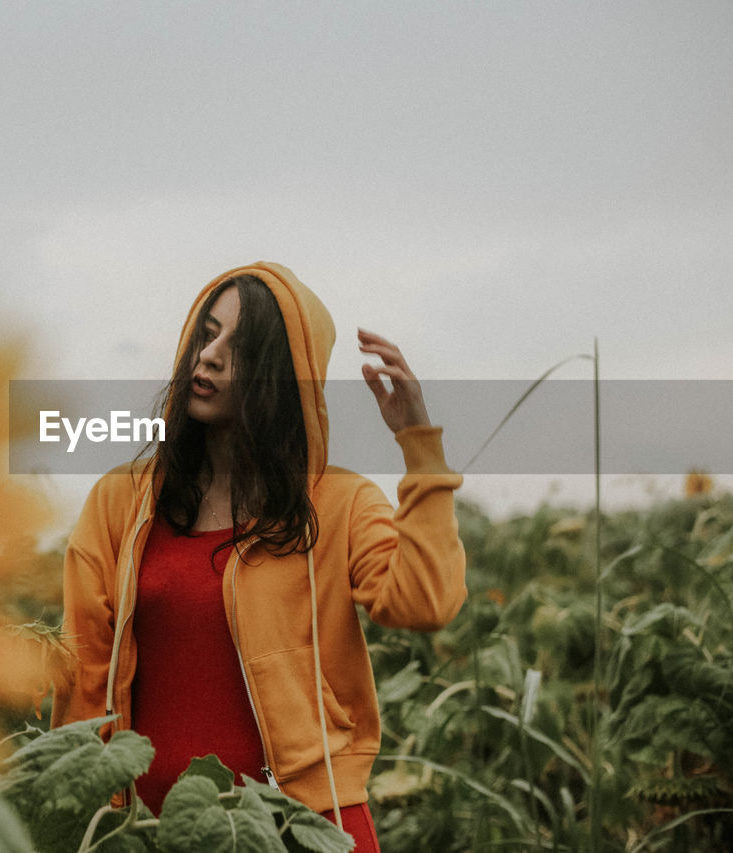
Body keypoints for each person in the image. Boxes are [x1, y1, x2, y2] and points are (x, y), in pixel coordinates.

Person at [52, 262, 467, 850]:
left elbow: (425, 603)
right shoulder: (121, 501)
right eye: (206, 333)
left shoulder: (338, 503)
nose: (212, 356)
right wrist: (70, 811)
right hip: (144, 832)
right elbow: (81, 667)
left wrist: (419, 446)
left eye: (240, 348)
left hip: (304, 828)